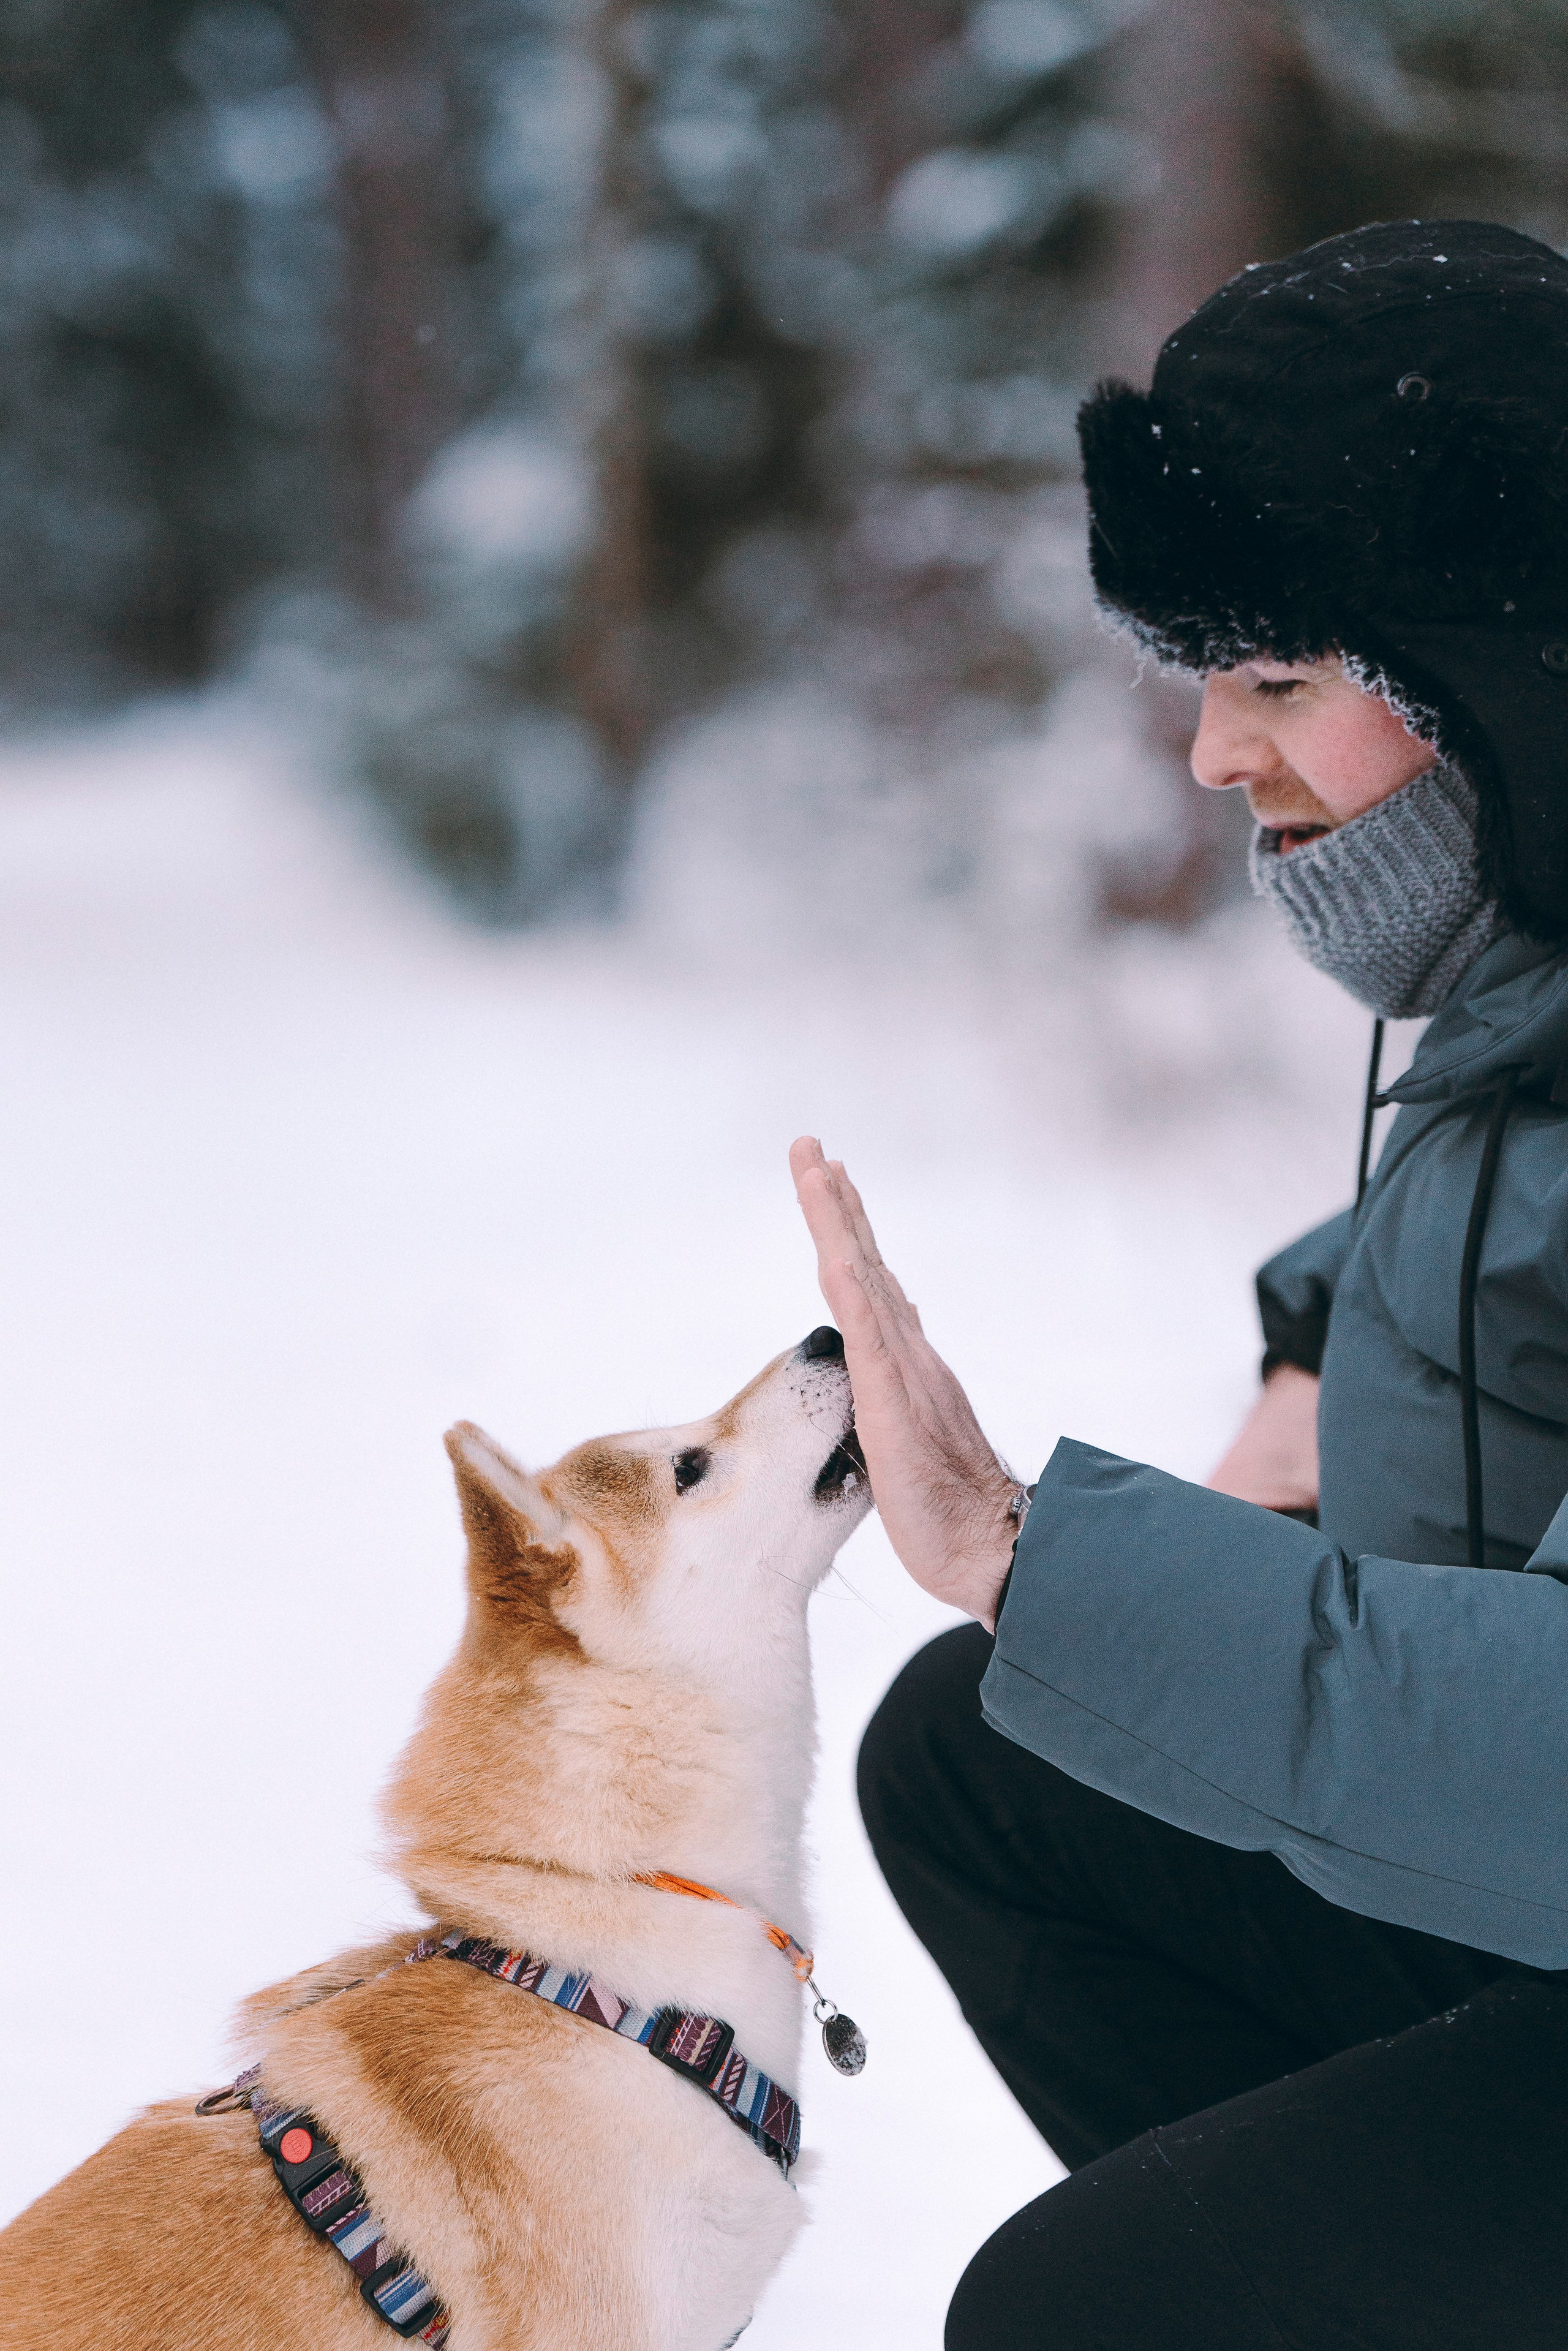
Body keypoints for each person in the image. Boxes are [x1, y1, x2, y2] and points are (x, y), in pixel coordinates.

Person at [791, 217, 1568, 2350]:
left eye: (1278, 678)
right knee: (983, 1759)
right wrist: (1323, 1332)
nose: (1217, 758)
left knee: (1083, 2313)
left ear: (1499, 672)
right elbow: (1520, 1169)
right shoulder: (1536, 956)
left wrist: (1038, 1553)